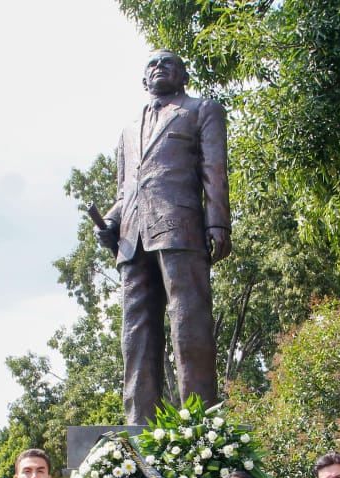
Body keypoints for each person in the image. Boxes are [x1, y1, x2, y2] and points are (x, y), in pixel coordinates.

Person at [96, 49, 231, 424]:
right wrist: (110, 221)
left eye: (168, 63)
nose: (159, 68)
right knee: (135, 335)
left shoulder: (201, 110)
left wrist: (217, 222)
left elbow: (213, 170)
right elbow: (126, 190)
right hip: (132, 237)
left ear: (183, 76)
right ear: (144, 80)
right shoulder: (127, 128)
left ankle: (200, 422)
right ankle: (139, 424)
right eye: (152, 65)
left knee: (190, 327)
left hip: (181, 228)